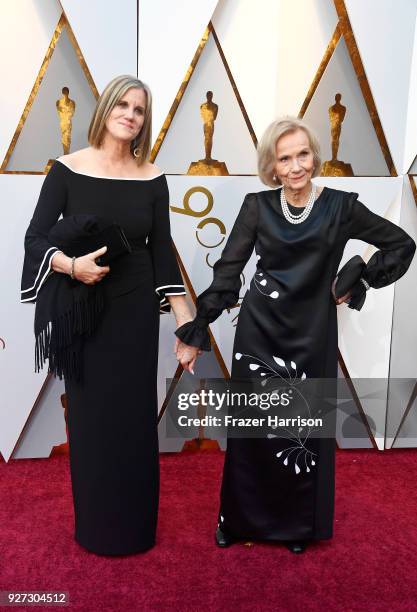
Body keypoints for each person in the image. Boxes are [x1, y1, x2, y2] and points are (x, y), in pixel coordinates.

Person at [175, 117, 416, 553]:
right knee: (252, 432)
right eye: (284, 158)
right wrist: (195, 331)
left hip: (312, 335)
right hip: (259, 332)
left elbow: (401, 245)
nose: (295, 166)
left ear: (314, 155)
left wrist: (358, 278)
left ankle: (293, 525)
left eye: (302, 154)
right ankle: (238, 520)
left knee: (298, 431)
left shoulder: (341, 207)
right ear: (272, 165)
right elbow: (228, 275)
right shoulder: (257, 206)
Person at [21, 75, 197, 556]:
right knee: (91, 419)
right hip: (85, 313)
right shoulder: (66, 170)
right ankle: (97, 529)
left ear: (145, 121)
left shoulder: (154, 178)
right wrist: (71, 266)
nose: (130, 114)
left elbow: (163, 255)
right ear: (105, 110)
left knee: (135, 421)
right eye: (122, 104)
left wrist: (187, 327)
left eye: (139, 109)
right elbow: (35, 239)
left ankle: (135, 530)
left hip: (136, 313)